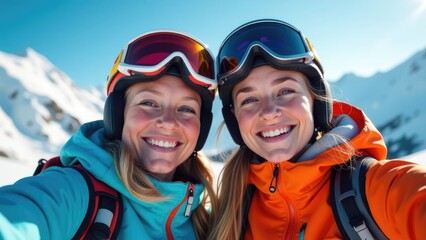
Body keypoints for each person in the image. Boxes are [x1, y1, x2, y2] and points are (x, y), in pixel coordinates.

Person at [208, 19, 426, 240]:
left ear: (315, 100)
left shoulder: (376, 189)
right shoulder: (231, 211)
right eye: (249, 100)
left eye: (285, 91)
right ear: (234, 118)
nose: (269, 111)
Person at [0, 31, 218, 239]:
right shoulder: (75, 193)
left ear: (202, 127)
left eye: (187, 109)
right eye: (149, 103)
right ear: (118, 115)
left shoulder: (208, 222)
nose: (169, 122)